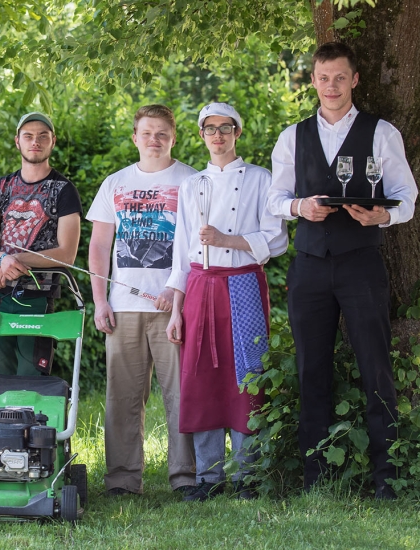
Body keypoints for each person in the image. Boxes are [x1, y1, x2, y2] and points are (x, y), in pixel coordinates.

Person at [267, 42, 418, 500]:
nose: (330, 86)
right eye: (322, 77)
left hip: (361, 265)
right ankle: (318, 480)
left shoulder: (381, 132)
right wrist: (299, 206)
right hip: (310, 268)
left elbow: (406, 196)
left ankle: (387, 480)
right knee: (312, 369)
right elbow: (274, 200)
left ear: (354, 80)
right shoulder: (292, 137)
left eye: (339, 77)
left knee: (376, 368)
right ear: (311, 80)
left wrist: (383, 217)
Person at [165, 102, 288, 501]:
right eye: (210, 129)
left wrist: (226, 240)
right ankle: (208, 477)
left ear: (238, 132)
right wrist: (176, 310)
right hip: (200, 287)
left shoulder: (260, 179)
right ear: (201, 135)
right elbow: (182, 249)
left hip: (244, 285)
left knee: (247, 377)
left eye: (225, 128)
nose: (218, 135)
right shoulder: (191, 184)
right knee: (201, 378)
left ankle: (247, 475)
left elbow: (276, 240)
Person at [86, 104, 198, 497]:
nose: (154, 139)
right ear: (135, 137)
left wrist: (178, 291)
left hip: (174, 308)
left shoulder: (192, 181)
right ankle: (121, 479)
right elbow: (99, 245)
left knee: (181, 396)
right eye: (147, 132)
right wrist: (101, 300)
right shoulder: (116, 183)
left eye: (162, 133)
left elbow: (199, 246)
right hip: (124, 308)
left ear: (173, 137)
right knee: (122, 398)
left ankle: (186, 477)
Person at [0, 112, 82, 377]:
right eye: (29, 136)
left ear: (52, 141)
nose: (36, 141)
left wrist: (16, 260)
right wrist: (2, 260)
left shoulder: (64, 189)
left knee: (31, 378)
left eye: (43, 136)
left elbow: (66, 254)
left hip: (38, 298)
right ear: (17, 142)